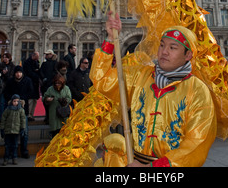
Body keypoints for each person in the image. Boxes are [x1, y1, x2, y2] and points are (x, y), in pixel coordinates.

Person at [90, 11, 217, 167]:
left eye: (173, 47)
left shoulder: (197, 90)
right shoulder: (140, 76)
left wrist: (152, 168)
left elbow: (196, 143)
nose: (164, 51)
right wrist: (110, 39)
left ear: (188, 55)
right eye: (162, 45)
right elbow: (102, 80)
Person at [3, 65, 33, 158]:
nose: (18, 74)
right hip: (12, 111)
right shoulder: (10, 81)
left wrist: (24, 99)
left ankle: (24, 150)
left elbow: (31, 91)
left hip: (24, 110)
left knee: (25, 132)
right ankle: (12, 152)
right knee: (12, 133)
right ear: (14, 73)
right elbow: (5, 92)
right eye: (17, 72)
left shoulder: (27, 80)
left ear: (22, 73)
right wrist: (10, 100)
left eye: (20, 72)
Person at [0, 94, 26, 165]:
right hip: (8, 131)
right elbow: (3, 119)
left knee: (15, 145)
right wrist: (2, 129)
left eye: (17, 101)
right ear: (12, 101)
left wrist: (23, 128)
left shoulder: (21, 110)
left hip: (16, 131)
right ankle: (6, 158)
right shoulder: (8, 110)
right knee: (7, 145)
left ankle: (14, 158)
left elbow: (23, 120)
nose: (16, 103)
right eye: (14, 101)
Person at [39, 50, 58, 123]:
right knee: (45, 101)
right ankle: (47, 115)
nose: (46, 56)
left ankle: (51, 116)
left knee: (52, 102)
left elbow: (55, 73)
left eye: (47, 55)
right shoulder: (44, 63)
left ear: (51, 55)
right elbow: (41, 72)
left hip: (52, 85)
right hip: (45, 85)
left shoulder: (55, 63)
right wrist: (43, 78)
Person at [0, 53, 15, 119]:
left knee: (8, 103)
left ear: (9, 58)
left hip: (9, 87)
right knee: (1, 103)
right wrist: (2, 73)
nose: (5, 59)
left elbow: (11, 77)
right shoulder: (0, 65)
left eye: (6, 57)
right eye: (4, 57)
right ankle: (0, 118)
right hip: (2, 86)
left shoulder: (12, 66)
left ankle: (7, 118)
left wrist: (6, 74)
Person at [23, 51, 40, 121]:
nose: (38, 57)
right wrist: (36, 75)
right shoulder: (27, 62)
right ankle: (29, 115)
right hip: (30, 83)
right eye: (37, 56)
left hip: (35, 83)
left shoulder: (36, 62)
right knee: (30, 100)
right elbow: (29, 73)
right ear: (34, 55)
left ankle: (31, 114)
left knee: (34, 100)